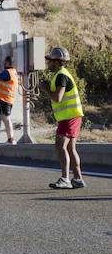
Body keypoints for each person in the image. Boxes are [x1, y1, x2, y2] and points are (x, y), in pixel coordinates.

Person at [42, 47, 86, 189]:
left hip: (69, 117)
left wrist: (46, 89)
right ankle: (78, 179)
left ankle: (65, 179)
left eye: (50, 61)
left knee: (60, 146)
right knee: (70, 148)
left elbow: (57, 97)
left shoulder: (61, 75)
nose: (48, 63)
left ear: (56, 61)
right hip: (72, 115)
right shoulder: (61, 75)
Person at [0, 56, 18, 144]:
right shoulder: (13, 72)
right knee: (5, 118)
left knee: (6, 119)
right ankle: (10, 138)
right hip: (8, 99)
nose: (3, 63)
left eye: (4, 62)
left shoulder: (7, 72)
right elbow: (1, 76)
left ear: (7, 63)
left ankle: (11, 139)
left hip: (5, 99)